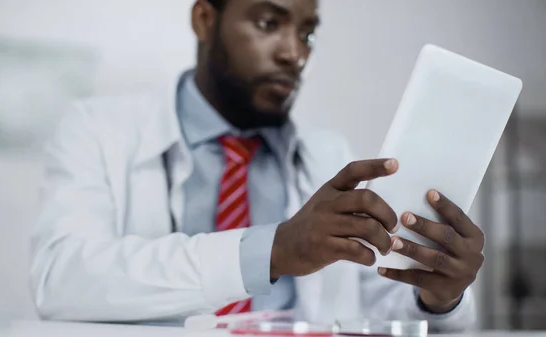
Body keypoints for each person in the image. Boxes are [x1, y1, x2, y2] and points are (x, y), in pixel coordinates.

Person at [30, 0, 484, 332]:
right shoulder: (97, 129)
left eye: (307, 33)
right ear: (205, 19)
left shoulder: (328, 155)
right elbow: (62, 279)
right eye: (269, 23)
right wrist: (272, 250)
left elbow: (370, 308)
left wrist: (437, 297)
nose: (295, 54)